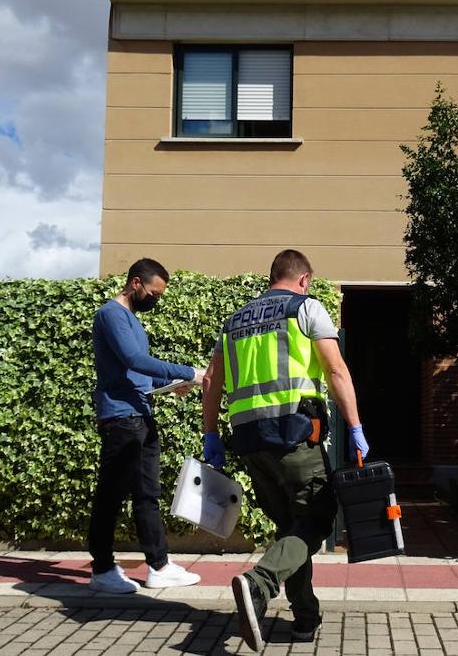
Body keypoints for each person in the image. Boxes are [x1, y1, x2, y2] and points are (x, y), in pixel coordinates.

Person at [200, 249, 370, 651]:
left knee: (290, 530)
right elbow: (335, 370)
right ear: (304, 278)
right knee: (318, 517)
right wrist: (356, 426)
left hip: (249, 443)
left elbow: (211, 382)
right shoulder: (306, 309)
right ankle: (258, 584)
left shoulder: (235, 320)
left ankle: (305, 619)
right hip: (294, 437)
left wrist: (211, 435)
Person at [87, 257, 205, 594]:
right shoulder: (111, 314)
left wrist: (170, 385)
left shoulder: (132, 320)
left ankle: (159, 566)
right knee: (110, 494)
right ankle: (102, 569)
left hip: (140, 413)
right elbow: (134, 360)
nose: (155, 300)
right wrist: (189, 373)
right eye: (153, 294)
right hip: (121, 418)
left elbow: (138, 373)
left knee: (146, 494)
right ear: (136, 283)